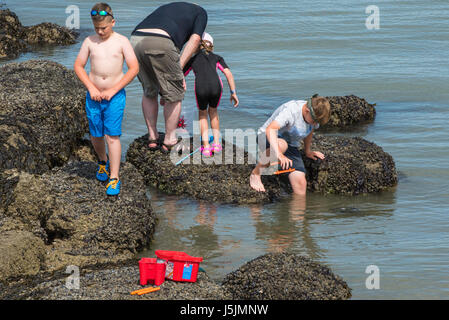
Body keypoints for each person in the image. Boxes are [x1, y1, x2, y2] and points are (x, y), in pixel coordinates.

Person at [74, 2, 139, 196]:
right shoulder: (89, 42)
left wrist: (113, 90)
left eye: (104, 27)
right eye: (97, 28)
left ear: (113, 22)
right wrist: (91, 87)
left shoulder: (122, 42)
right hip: (93, 96)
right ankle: (102, 161)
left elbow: (134, 68)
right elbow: (78, 65)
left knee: (112, 135)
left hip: (115, 96)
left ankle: (114, 177)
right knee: (96, 134)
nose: (100, 32)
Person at [130, 2, 207, 153]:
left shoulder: (170, 6)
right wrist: (180, 68)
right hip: (161, 40)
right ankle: (170, 139)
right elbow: (195, 40)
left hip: (135, 39)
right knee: (174, 94)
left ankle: (152, 137)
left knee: (149, 90)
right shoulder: (200, 12)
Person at [249, 95, 331, 195]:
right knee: (282, 145)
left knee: (301, 184)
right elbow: (270, 129)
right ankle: (256, 173)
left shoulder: (313, 117)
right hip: (267, 137)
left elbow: (310, 130)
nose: (315, 124)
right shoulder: (291, 110)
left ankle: (299, 210)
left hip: (291, 145)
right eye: (314, 121)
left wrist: (308, 151)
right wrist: (279, 154)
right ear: (307, 111)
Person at [183, 32, 239, 157]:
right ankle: (217, 144)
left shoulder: (192, 59)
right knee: (213, 112)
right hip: (216, 88)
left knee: (203, 115)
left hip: (201, 88)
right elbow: (228, 74)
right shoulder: (217, 58)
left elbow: (181, 74)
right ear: (211, 45)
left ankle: (206, 147)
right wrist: (233, 93)